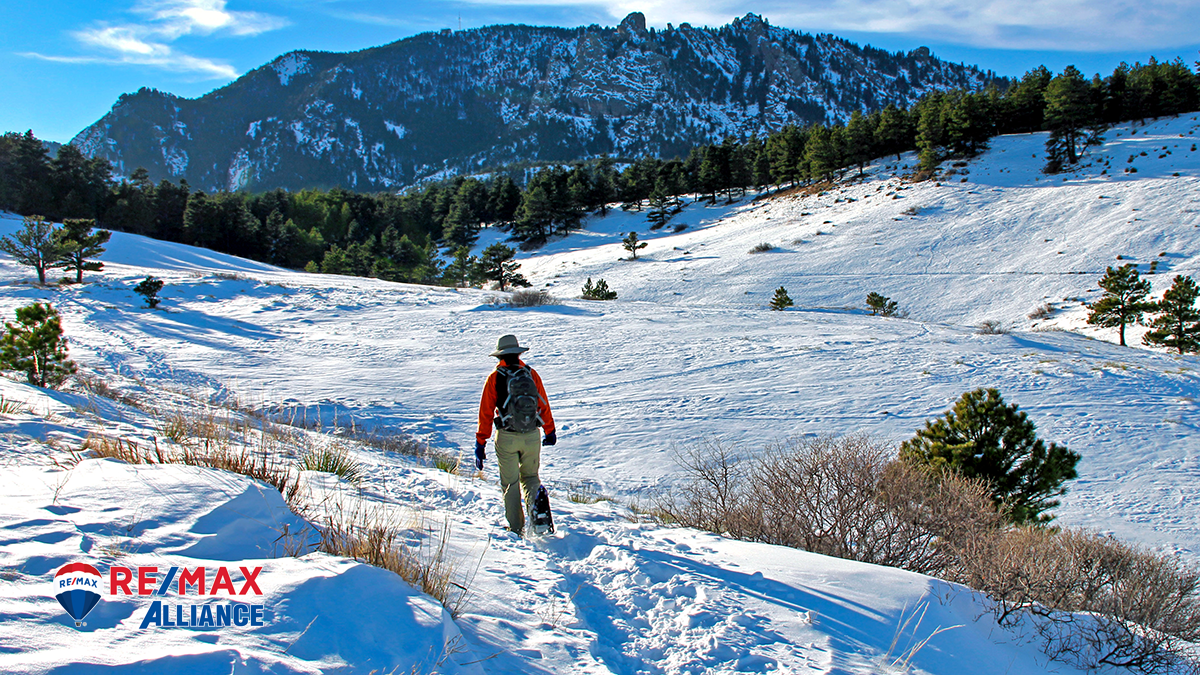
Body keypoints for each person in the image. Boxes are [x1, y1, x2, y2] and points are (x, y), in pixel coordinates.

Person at [475, 334, 556, 534]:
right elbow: (543, 403)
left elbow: (485, 413)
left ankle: (516, 528)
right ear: (518, 353)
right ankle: (539, 517)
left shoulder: (495, 378)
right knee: (530, 477)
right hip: (531, 435)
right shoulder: (531, 374)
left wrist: (480, 442)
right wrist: (550, 430)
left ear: (499, 356)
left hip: (507, 437)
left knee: (510, 484)